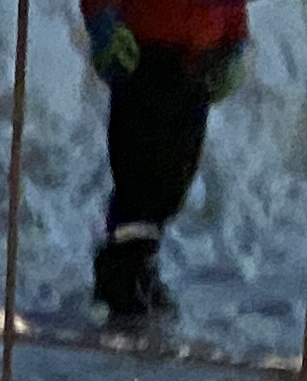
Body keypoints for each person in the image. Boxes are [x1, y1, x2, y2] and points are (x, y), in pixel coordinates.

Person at [83, 0, 246, 326]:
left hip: (200, 59)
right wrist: (103, 21)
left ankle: (139, 266)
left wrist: (234, 37)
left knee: (174, 175)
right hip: (146, 52)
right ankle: (125, 273)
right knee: (138, 170)